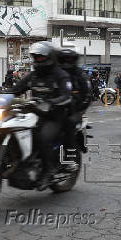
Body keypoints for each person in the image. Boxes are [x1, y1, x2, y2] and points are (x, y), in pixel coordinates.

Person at [7, 41, 72, 190]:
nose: (38, 60)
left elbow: (66, 96)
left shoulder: (60, 75)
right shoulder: (34, 75)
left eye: (41, 57)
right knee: (13, 127)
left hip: (55, 116)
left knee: (42, 137)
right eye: (35, 57)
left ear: (51, 57)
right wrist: (0, 94)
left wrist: (51, 102)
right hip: (35, 113)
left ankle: (48, 171)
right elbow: (16, 89)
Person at [56, 47, 93, 165]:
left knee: (69, 123)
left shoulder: (80, 75)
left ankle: (70, 156)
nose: (66, 62)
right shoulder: (55, 73)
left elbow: (88, 94)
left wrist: (79, 111)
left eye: (69, 59)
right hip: (55, 107)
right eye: (63, 59)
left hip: (74, 110)